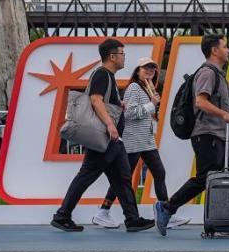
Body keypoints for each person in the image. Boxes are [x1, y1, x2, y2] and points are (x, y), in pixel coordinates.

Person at [51, 38, 155, 232]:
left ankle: (132, 219)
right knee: (86, 176)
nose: (124, 58)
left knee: (123, 178)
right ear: (112, 56)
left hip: (113, 140)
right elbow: (96, 100)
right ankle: (62, 215)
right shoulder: (102, 74)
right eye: (122, 54)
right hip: (106, 138)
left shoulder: (109, 77)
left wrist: (119, 104)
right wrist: (110, 125)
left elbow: (104, 101)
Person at [153, 34, 229, 235]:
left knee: (215, 179)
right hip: (207, 133)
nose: (228, 50)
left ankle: (219, 221)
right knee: (206, 178)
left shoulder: (218, 74)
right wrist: (225, 115)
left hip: (217, 134)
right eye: (225, 47)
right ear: (214, 50)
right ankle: (167, 207)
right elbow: (200, 102)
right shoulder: (207, 73)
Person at [91, 57, 189, 229]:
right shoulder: (134, 88)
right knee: (123, 178)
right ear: (137, 71)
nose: (150, 71)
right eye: (146, 68)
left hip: (146, 140)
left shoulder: (148, 89)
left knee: (158, 173)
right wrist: (152, 105)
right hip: (133, 140)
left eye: (152, 68)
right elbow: (128, 113)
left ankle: (165, 211)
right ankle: (103, 211)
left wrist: (153, 107)